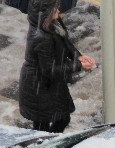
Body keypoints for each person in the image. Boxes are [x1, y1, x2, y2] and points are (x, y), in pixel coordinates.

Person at [18, 0, 96, 133]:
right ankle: (47, 145)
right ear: (47, 12)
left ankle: (47, 143)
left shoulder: (47, 25)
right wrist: (78, 65)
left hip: (44, 84)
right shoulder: (42, 38)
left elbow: (64, 42)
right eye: (56, 9)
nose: (59, 11)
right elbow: (49, 70)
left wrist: (77, 56)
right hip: (40, 85)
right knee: (50, 123)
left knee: (54, 120)